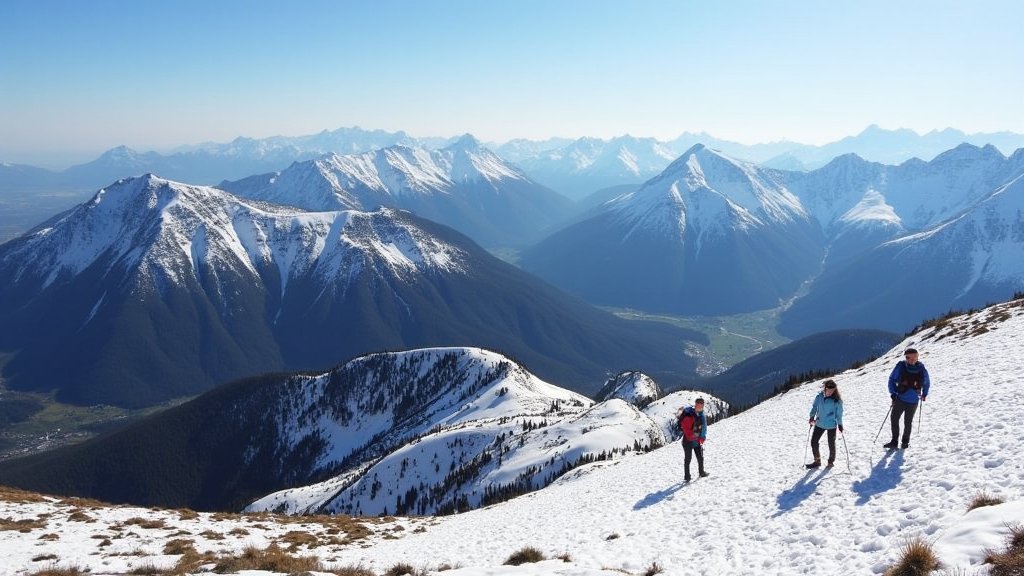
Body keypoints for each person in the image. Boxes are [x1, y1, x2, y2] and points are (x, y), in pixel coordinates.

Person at [884, 347, 931, 449]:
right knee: (899, 420)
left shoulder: (918, 368)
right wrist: (893, 393)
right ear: (906, 357)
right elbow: (892, 380)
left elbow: (926, 382)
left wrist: (925, 394)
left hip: (906, 399)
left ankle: (901, 442)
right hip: (904, 399)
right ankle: (898, 442)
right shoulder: (906, 367)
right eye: (909, 357)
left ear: (918, 357)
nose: (912, 359)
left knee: (903, 421)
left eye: (915, 357)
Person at [806, 379, 844, 468]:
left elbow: (839, 414)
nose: (830, 392)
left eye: (832, 390)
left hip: (831, 425)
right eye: (829, 390)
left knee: (831, 443)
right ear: (825, 388)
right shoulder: (819, 397)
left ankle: (830, 462)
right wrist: (812, 416)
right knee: (814, 441)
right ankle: (817, 461)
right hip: (819, 423)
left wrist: (840, 424)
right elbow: (814, 407)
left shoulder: (837, 401)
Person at [679, 398, 709, 482]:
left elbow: (704, 428)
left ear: (702, 406)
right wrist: (699, 437)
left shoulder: (701, 416)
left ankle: (701, 472)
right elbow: (685, 428)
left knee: (700, 458)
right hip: (688, 441)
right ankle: (687, 476)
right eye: (698, 405)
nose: (699, 407)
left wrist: (702, 437)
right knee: (688, 459)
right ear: (695, 404)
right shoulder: (690, 415)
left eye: (701, 405)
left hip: (695, 440)